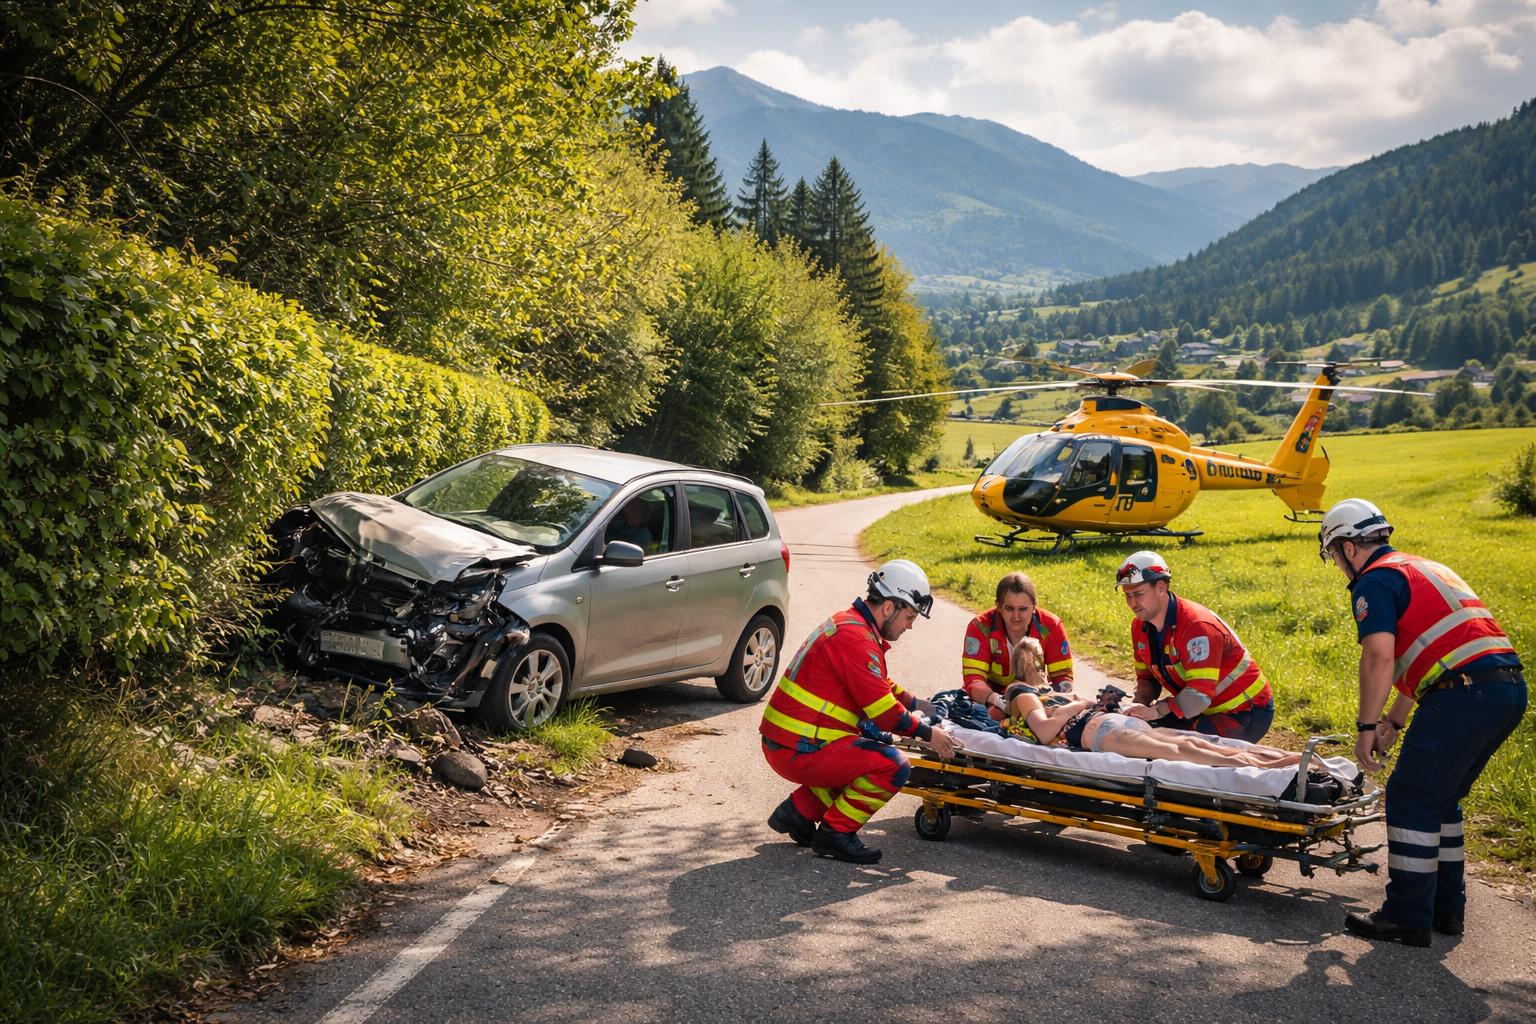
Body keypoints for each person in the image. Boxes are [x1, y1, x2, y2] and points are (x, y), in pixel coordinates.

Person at [1319, 498, 1526, 948]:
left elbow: (1379, 655)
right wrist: (1396, 718)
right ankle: (1445, 911)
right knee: (1440, 799)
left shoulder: (1374, 580)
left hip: (1463, 695)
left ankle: (1407, 916)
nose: (1337, 564)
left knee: (1410, 798)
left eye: (1334, 554)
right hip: (1504, 689)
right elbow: (1439, 651)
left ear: (1349, 547)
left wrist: (1366, 727)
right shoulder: (1425, 567)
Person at [761, 559, 963, 864]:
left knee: (863, 754)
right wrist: (929, 734)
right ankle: (836, 834)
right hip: (801, 748)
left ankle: (797, 813)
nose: (909, 626)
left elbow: (877, 684)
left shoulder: (852, 626)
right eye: (909, 616)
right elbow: (886, 715)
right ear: (889, 606)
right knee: (891, 764)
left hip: (791, 741)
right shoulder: (856, 639)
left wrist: (917, 703)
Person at [1115, 551, 1275, 743]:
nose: (1132, 603)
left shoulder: (1197, 626)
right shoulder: (1140, 627)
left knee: (1177, 749)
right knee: (1143, 736)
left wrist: (1156, 711)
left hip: (1244, 712)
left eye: (1138, 594)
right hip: (1201, 708)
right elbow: (1146, 679)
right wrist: (1136, 709)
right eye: (1127, 596)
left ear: (1160, 587)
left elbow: (1198, 696)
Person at [997, 684, 1301, 769]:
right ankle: (1285, 761)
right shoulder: (1036, 694)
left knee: (1183, 750)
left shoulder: (1033, 693)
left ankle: (1275, 765)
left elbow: (1047, 731)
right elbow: (1047, 729)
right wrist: (1078, 704)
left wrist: (1074, 706)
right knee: (1192, 745)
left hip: (1101, 730)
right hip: (1110, 724)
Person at [961, 573, 1075, 717]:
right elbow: (973, 679)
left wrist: (1054, 702)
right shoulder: (979, 627)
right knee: (993, 715)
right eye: (1009, 609)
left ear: (1034, 607)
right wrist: (997, 700)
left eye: (1023, 609)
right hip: (991, 699)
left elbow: (1062, 678)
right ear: (998, 607)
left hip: (1038, 697)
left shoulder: (1052, 626)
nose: (1016, 616)